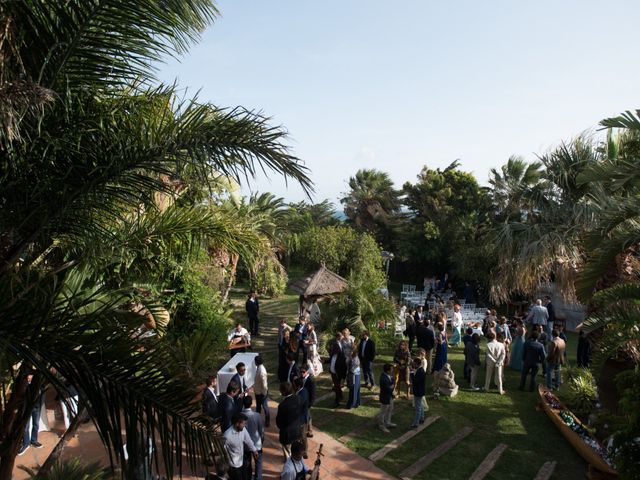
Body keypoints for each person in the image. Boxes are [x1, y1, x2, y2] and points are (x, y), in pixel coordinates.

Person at [224, 412, 258, 480]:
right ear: (237, 423)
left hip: (241, 462)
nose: (245, 425)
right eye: (244, 423)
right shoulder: (227, 436)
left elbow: (248, 440)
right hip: (233, 467)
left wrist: (254, 450)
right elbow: (223, 451)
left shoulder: (243, 429)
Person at [18, 373, 44, 456]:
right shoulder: (24, 385)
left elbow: (42, 394)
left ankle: (34, 441)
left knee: (36, 424)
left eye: (32, 375)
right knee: (26, 426)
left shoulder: (39, 384)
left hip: (37, 407)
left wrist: (41, 404)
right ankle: (26, 443)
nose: (31, 377)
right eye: (29, 375)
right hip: (27, 408)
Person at [276, 382, 301, 460]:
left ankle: (290, 469)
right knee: (296, 452)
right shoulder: (297, 398)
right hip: (296, 431)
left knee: (288, 455)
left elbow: (279, 422)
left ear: (284, 392)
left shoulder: (282, 405)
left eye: (281, 390)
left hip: (287, 435)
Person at [241, 396, 264, 480]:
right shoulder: (257, 415)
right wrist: (262, 439)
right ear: (251, 403)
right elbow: (261, 430)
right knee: (258, 462)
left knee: (247, 464)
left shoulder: (240, 415)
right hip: (256, 444)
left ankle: (248, 477)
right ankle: (258, 478)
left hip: (245, 444)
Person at [329, 332, 347, 408]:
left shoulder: (340, 357)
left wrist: (343, 376)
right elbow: (331, 360)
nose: (332, 350)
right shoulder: (333, 355)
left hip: (337, 373)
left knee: (337, 386)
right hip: (333, 372)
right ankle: (339, 397)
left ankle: (337, 400)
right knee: (337, 386)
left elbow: (343, 366)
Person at [294, 377, 310, 459]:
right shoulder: (300, 391)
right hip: (298, 419)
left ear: (298, 386)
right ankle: (300, 450)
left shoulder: (302, 393)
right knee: (299, 436)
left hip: (301, 419)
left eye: (295, 385)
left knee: (303, 436)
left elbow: (299, 405)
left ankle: (305, 451)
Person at [409, 358, 427, 429]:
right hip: (420, 391)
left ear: (417, 364)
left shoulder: (421, 372)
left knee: (417, 408)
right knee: (421, 405)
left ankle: (416, 423)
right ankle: (422, 418)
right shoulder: (420, 370)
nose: (413, 365)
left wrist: (411, 372)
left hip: (418, 392)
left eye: (414, 363)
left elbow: (415, 381)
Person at [378, 363, 396, 433]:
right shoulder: (383, 378)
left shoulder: (388, 376)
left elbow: (392, 383)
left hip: (390, 396)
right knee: (383, 412)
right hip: (385, 397)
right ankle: (381, 425)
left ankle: (388, 422)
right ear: (388, 371)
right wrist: (392, 387)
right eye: (391, 369)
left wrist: (392, 385)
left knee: (390, 409)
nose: (392, 370)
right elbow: (387, 388)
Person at [300, 365, 316, 438]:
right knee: (307, 416)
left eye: (303, 372)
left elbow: (313, 393)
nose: (302, 373)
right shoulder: (301, 378)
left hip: (307, 402)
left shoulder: (311, 380)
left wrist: (310, 403)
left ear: (307, 371)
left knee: (307, 416)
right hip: (302, 400)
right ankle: (309, 431)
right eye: (300, 372)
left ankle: (309, 431)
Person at [254, 356, 270, 428]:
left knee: (264, 406)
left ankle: (267, 421)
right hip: (259, 391)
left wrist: (264, 393)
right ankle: (257, 420)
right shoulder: (259, 368)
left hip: (261, 392)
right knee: (258, 407)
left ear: (256, 362)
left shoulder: (261, 371)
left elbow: (264, 384)